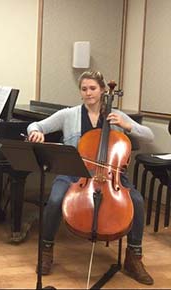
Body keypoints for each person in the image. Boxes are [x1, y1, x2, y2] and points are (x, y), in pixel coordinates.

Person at [27, 71, 154, 285]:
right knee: (56, 200)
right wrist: (36, 133)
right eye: (84, 89)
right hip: (75, 173)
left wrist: (126, 125)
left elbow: (149, 135)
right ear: (80, 92)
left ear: (103, 90)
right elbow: (36, 126)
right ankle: (46, 249)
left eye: (93, 88)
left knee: (138, 201)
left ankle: (134, 258)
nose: (88, 93)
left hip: (111, 175)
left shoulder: (116, 115)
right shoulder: (69, 114)